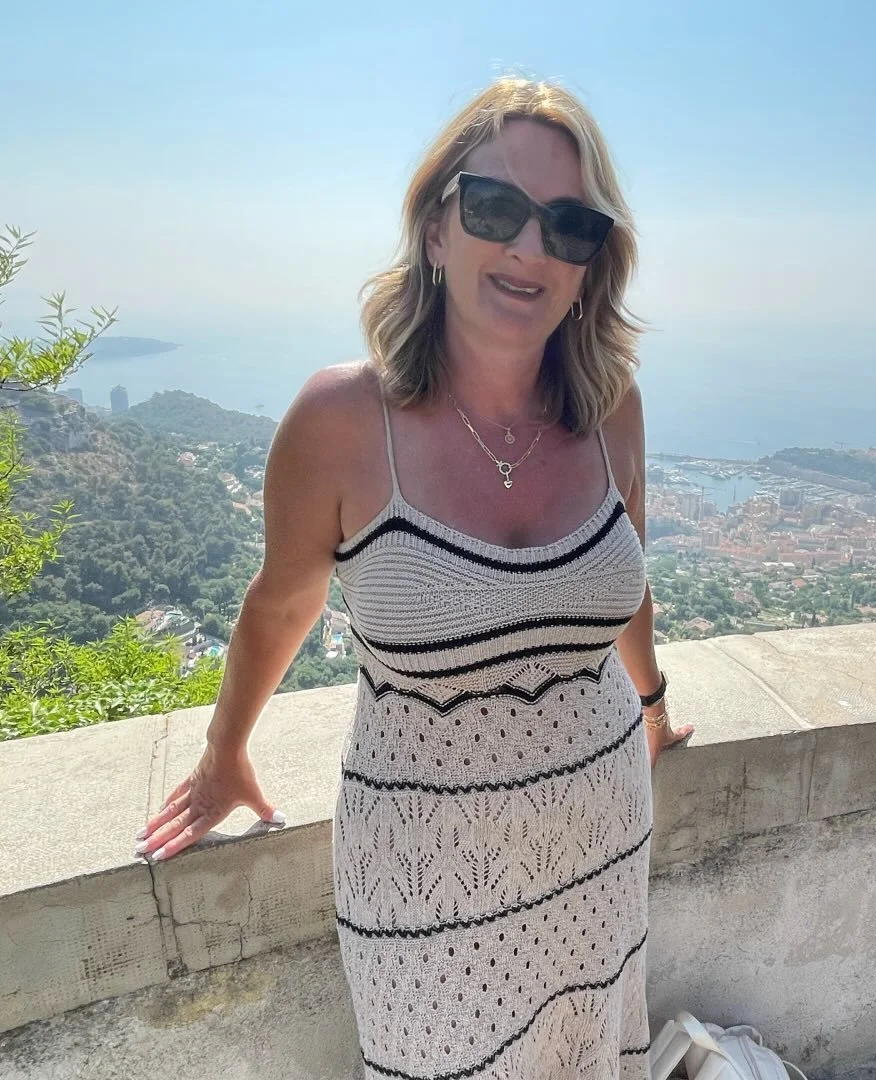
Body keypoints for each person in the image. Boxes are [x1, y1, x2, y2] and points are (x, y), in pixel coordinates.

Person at [134, 76, 693, 1078]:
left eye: (569, 225)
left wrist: (650, 701)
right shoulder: (343, 421)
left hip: (602, 832)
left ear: (589, 264)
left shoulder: (614, 407)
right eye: (495, 208)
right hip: (426, 869)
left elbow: (627, 579)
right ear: (436, 230)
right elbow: (282, 603)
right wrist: (223, 753)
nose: (529, 247)